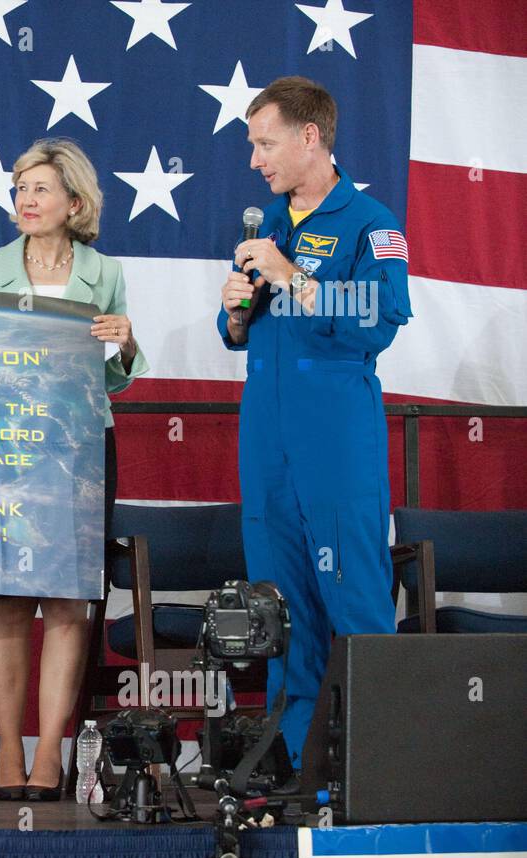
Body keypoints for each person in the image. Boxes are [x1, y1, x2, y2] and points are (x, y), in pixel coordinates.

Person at [218, 76, 411, 767]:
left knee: (354, 605)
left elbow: (380, 320)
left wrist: (291, 274)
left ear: (311, 137)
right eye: (252, 145)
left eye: (265, 143)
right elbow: (238, 330)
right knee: (280, 616)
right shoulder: (269, 224)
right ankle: (298, 774)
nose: (255, 160)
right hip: (266, 445)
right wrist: (237, 309)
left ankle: (379, 775)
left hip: (335, 445)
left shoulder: (371, 222)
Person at [0, 139, 147, 800]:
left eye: (40, 189)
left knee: (69, 601)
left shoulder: (106, 271)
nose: (27, 201)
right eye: (20, 190)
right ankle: (9, 749)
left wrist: (124, 340)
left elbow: (118, 379)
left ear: (75, 200)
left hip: (78, 451)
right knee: (10, 602)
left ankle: (50, 751)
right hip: (3, 450)